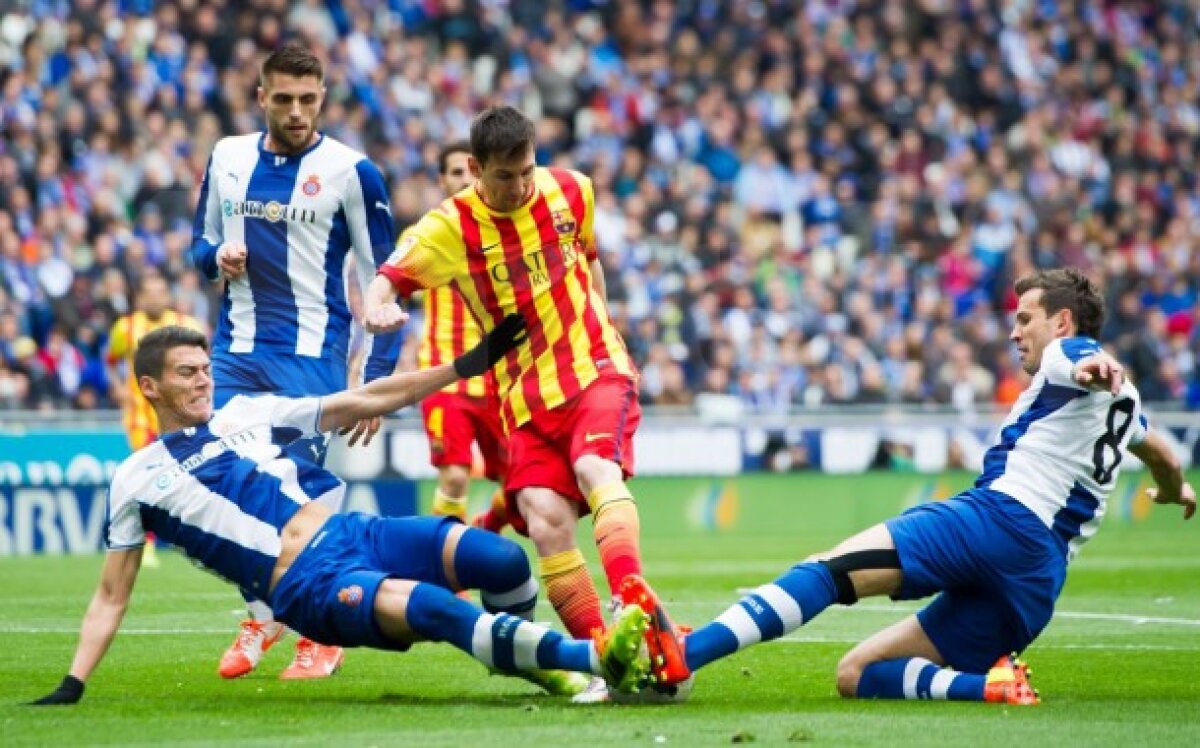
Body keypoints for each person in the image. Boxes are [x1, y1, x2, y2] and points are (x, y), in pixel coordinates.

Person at [625, 268, 1196, 702]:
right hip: (1036, 585)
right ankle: (990, 687)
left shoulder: (1070, 356)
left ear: (1062, 322)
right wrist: (1176, 490)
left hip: (1000, 520)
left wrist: (1095, 365)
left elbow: (1083, 361)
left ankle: (684, 654)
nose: (1015, 330)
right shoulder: (1125, 408)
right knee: (856, 675)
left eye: (1025, 318)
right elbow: (1161, 454)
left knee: (828, 571)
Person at [28, 323, 651, 707]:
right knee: (438, 610)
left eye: (206, 369)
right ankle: (589, 662)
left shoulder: (242, 413)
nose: (203, 382)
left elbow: (363, 398)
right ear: (150, 387)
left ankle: (529, 660)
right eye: (187, 374)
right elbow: (111, 596)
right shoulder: (135, 478)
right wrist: (74, 683)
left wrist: (463, 367)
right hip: (305, 586)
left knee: (504, 560)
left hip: (353, 534)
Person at [364, 106, 686, 692]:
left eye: (526, 171)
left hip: (593, 370)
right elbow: (388, 276)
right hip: (523, 398)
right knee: (544, 520)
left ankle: (629, 598)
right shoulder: (450, 226)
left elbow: (589, 263)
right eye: (503, 177)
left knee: (594, 467)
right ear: (474, 168)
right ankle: (608, 663)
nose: (518, 187)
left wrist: (604, 326)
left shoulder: (572, 190)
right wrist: (380, 304)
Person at [189, 42, 402, 680]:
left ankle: (320, 633)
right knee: (216, 483)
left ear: (324, 98)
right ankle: (264, 611)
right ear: (261, 98)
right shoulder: (227, 157)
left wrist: (378, 379)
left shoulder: (352, 172)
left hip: (313, 361)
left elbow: (387, 284)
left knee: (293, 502)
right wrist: (216, 261)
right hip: (235, 354)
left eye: (309, 100)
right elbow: (200, 243)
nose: (297, 111)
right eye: (283, 99)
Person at [406, 141, 510, 528]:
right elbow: (390, 292)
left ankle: (483, 530)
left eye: (471, 171)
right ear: (441, 180)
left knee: (522, 483)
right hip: (445, 377)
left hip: (500, 380)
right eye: (455, 172)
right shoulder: (425, 238)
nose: (465, 179)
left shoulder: (510, 234)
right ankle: (450, 568)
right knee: (454, 476)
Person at [105, 272, 206, 569]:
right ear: (140, 298)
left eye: (161, 292)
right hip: (140, 415)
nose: (155, 298)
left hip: (181, 413)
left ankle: (192, 538)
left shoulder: (187, 325)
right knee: (147, 476)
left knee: (190, 475)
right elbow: (110, 361)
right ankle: (146, 543)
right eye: (149, 293)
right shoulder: (126, 327)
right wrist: (117, 387)